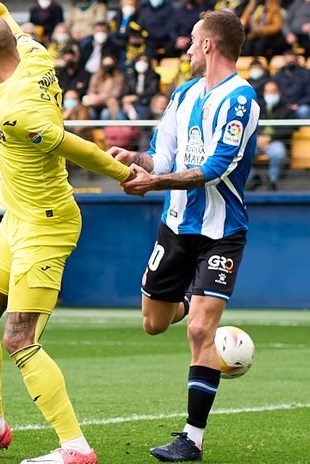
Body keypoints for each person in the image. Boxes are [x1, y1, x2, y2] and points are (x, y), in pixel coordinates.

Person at [0, 0, 134, 462]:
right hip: (17, 217)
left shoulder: (17, 111)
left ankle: (75, 448)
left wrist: (124, 175)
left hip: (47, 224)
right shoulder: (34, 52)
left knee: (19, 339)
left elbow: (78, 148)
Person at [110, 11, 258, 462]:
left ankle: (191, 438)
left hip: (221, 232)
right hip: (175, 227)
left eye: (193, 43)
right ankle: (197, 300)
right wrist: (135, 159)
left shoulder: (241, 100)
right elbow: (162, 156)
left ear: (210, 45)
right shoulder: (183, 94)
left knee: (199, 331)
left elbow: (215, 170)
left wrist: (153, 184)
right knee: (154, 323)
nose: (188, 50)